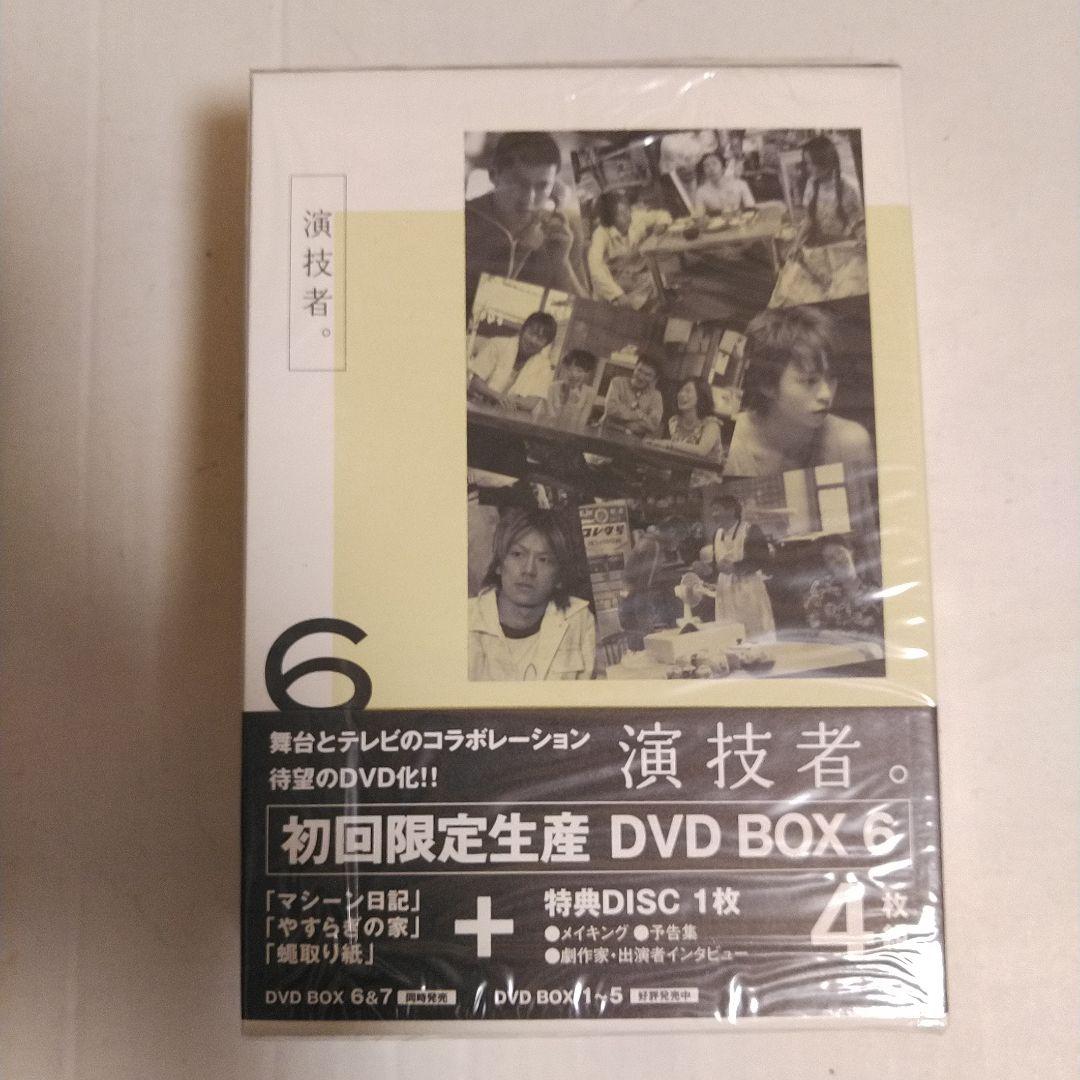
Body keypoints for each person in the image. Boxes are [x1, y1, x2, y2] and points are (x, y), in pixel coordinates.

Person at [724, 306, 872, 476]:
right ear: (767, 384)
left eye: (832, 378)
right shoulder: (729, 445)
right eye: (810, 381)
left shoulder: (850, 443)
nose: (827, 395)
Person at [465, 132, 587, 316]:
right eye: (519, 183)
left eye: (542, 186)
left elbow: (588, 318)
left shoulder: (565, 232)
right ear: (493, 175)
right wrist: (522, 251)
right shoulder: (463, 222)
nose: (529, 199)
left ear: (554, 186)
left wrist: (562, 264)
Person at [469, 507, 596, 681]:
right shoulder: (464, 620)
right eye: (517, 554)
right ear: (499, 564)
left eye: (543, 560)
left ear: (559, 576)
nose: (528, 570)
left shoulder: (579, 619)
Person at [696, 494, 776, 641]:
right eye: (712, 511)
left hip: (748, 589)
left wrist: (735, 567)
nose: (714, 514)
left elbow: (762, 560)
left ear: (731, 510)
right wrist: (707, 571)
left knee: (753, 633)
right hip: (725, 592)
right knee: (730, 634)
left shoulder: (750, 530)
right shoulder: (717, 534)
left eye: (717, 510)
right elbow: (717, 568)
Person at [587, 191, 672, 308]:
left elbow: (662, 215)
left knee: (659, 280)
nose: (627, 215)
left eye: (627, 210)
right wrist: (617, 294)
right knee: (612, 298)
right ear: (610, 219)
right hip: (613, 280)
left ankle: (631, 305)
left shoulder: (636, 218)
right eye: (621, 214)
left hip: (632, 276)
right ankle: (622, 304)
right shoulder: (600, 234)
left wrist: (661, 225)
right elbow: (595, 268)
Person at [467, 311, 558, 412]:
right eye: (532, 333)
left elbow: (531, 403)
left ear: (546, 344)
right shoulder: (497, 344)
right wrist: (497, 396)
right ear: (523, 330)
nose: (533, 340)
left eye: (540, 338)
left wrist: (506, 400)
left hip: (510, 415)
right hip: (478, 407)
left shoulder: (544, 365)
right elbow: (476, 383)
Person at [803, 534, 880, 636]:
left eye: (840, 553)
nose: (837, 560)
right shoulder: (818, 594)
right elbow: (815, 633)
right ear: (827, 565)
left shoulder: (876, 591)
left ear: (851, 552)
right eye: (830, 558)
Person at [798, 135, 865, 246]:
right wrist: (796, 243)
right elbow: (808, 218)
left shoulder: (848, 188)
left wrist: (862, 235)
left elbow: (857, 220)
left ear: (826, 163)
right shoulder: (811, 184)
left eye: (811, 163)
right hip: (822, 242)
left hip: (844, 242)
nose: (807, 167)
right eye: (806, 163)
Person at [646, 377, 725, 470]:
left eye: (688, 391)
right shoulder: (674, 421)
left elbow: (702, 450)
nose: (681, 394)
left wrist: (669, 444)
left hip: (705, 474)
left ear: (701, 396)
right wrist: (654, 443)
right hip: (680, 470)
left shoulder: (711, 424)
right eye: (681, 390)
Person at [600, 356, 664, 438]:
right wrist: (640, 415)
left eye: (647, 375)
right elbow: (611, 409)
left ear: (655, 379)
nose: (641, 377)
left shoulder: (656, 396)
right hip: (606, 432)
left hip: (633, 440)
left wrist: (621, 419)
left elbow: (653, 425)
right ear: (634, 368)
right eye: (639, 370)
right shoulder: (617, 382)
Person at [533, 348, 598, 428]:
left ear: (587, 373)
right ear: (564, 369)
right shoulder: (552, 387)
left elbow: (582, 422)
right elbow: (547, 417)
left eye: (579, 371)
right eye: (569, 369)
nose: (573, 374)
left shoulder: (590, 393)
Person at [692, 152, 756, 216]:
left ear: (723, 167)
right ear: (704, 171)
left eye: (714, 163)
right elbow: (700, 216)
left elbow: (751, 208)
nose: (711, 168)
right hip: (716, 222)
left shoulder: (740, 184)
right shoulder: (701, 192)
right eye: (706, 166)